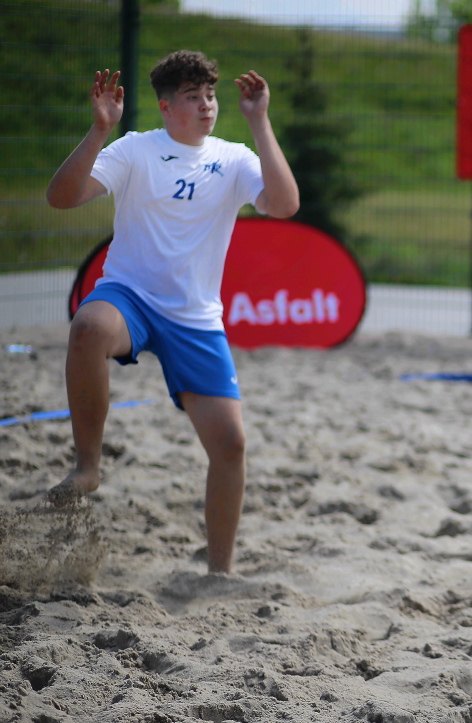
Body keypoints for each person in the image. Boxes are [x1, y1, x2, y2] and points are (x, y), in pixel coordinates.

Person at [44, 51, 299, 574]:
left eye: (211, 95)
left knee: (231, 445)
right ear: (165, 107)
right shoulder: (135, 149)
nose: (207, 105)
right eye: (193, 97)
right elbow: (60, 198)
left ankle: (219, 572)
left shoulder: (233, 158)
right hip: (131, 297)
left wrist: (260, 122)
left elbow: (285, 204)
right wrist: (99, 130)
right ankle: (87, 467)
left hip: (195, 316)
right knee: (88, 326)